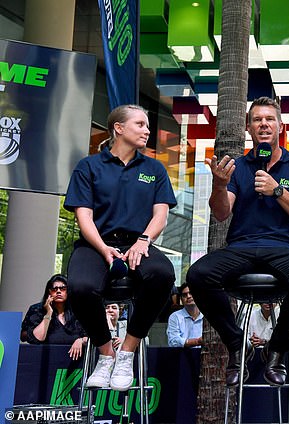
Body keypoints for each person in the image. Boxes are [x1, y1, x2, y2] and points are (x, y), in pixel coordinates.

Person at [186, 97, 289, 387]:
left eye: (269, 119)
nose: (263, 124)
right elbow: (222, 213)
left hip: (284, 247)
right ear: (249, 127)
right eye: (257, 120)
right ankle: (237, 345)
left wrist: (279, 192)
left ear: (280, 126)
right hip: (241, 247)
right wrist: (220, 185)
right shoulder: (238, 166)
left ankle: (278, 348)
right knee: (198, 275)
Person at [64, 104, 177, 391]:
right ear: (119, 128)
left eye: (147, 125)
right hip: (96, 243)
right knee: (79, 287)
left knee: (163, 275)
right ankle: (105, 353)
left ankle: (127, 351)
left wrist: (144, 240)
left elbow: (160, 214)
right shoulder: (88, 166)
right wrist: (103, 249)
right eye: (140, 124)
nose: (147, 130)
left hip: (139, 242)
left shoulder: (154, 168)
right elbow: (83, 216)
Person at [21, 274, 87, 360]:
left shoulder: (78, 311)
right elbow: (37, 338)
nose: (58, 291)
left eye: (63, 288)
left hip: (73, 363)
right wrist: (48, 313)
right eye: (54, 289)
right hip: (42, 361)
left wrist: (81, 340)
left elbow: (90, 337)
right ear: (49, 292)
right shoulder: (36, 310)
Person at [167, 284, 204, 348]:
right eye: (184, 295)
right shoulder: (175, 317)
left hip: (205, 355)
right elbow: (173, 341)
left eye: (191, 293)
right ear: (181, 299)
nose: (188, 296)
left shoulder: (207, 316)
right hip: (181, 356)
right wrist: (197, 342)